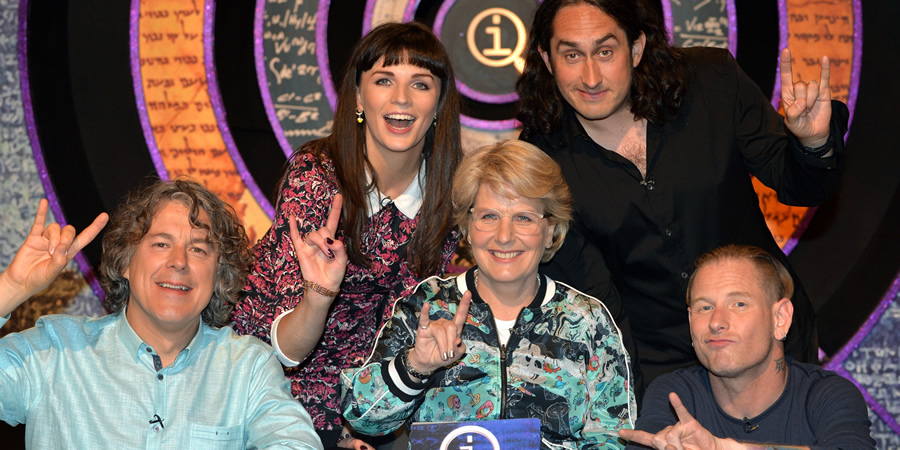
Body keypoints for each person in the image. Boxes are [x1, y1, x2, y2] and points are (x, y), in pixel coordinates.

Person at [516, 0, 849, 385]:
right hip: (657, 374)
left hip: (768, 347)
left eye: (605, 52)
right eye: (572, 55)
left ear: (636, 48)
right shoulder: (539, 160)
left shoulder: (711, 83)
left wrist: (813, 142)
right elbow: (588, 296)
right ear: (547, 57)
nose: (591, 77)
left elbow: (802, 185)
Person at [230, 21, 463, 447]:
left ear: (439, 104)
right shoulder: (316, 175)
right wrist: (340, 431)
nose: (401, 99)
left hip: (386, 405)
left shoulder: (453, 194)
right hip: (281, 400)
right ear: (358, 95)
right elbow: (287, 350)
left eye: (421, 84)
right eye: (384, 80)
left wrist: (373, 420)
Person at [340, 140, 635, 448]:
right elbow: (363, 418)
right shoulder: (427, 306)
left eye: (523, 217)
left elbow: (613, 437)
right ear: (467, 227)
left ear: (550, 231)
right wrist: (416, 365)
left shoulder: (587, 320)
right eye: (489, 216)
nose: (504, 236)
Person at [0, 181, 323, 449]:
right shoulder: (54, 351)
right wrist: (11, 287)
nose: (179, 262)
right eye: (160, 244)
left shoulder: (248, 367)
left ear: (218, 275)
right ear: (125, 262)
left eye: (198, 249)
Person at [619, 245, 874, 449]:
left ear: (780, 318)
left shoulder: (826, 395)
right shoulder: (674, 396)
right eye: (704, 307)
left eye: (739, 304)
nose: (716, 322)